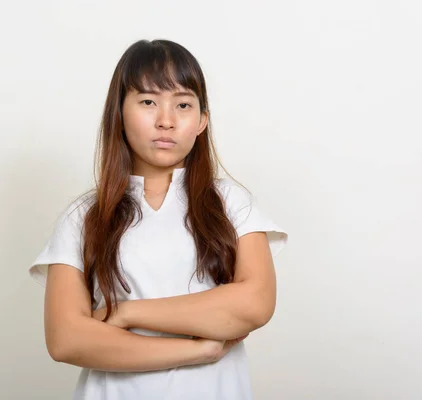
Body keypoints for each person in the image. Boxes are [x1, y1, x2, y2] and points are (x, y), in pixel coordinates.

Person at [29, 39, 288, 400]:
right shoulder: (85, 217)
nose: (166, 121)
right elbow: (66, 339)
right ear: (118, 112)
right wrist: (198, 350)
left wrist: (126, 314)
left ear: (201, 121)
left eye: (183, 104)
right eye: (148, 102)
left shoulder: (231, 203)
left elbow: (255, 304)